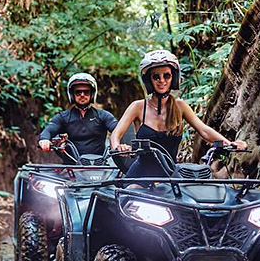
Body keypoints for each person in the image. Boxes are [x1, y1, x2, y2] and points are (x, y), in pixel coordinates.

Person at [110, 50, 246, 177]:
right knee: (128, 197)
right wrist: (119, 147)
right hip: (142, 173)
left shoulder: (180, 106)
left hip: (171, 173)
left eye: (167, 76)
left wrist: (230, 143)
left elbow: (204, 130)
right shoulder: (138, 107)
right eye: (156, 77)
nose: (162, 80)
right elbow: (116, 135)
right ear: (149, 80)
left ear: (173, 78)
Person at [38, 73, 118, 161]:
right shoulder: (63, 117)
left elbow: (119, 130)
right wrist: (44, 140)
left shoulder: (103, 116)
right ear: (72, 94)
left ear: (92, 94)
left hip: (99, 166)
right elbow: (49, 129)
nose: (82, 95)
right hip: (71, 167)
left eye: (86, 92)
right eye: (78, 92)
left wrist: (123, 144)